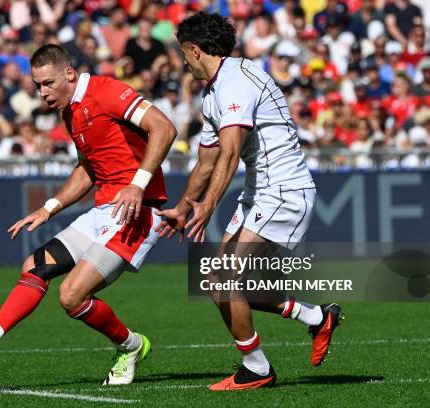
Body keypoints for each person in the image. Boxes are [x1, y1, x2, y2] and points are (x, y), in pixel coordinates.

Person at [0, 44, 177, 385]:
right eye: (37, 86)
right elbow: (87, 169)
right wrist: (50, 208)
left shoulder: (106, 91)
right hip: (103, 209)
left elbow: (164, 128)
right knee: (34, 266)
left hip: (135, 210)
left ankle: (131, 346)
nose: (43, 93)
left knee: (71, 295)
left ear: (69, 74)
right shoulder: (70, 112)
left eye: (48, 83)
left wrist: (138, 184)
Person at [156, 12, 343, 390]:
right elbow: (207, 161)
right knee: (215, 281)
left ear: (194, 50)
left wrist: (207, 205)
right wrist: (184, 206)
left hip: (284, 191)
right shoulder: (214, 91)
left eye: (183, 54)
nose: (183, 62)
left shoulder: (235, 83)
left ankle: (257, 369)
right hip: (260, 193)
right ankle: (314, 318)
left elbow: (229, 153)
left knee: (227, 280)